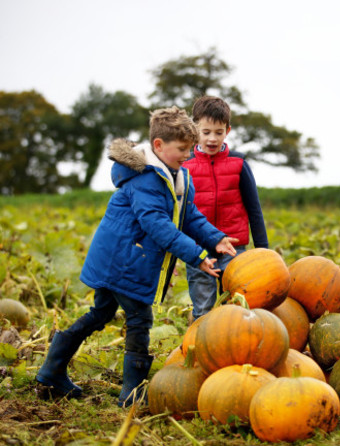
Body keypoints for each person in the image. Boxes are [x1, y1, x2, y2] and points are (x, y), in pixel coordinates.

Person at [35, 106, 238, 407]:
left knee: (100, 314)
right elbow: (156, 224)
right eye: (181, 149)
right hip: (122, 261)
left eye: (187, 149)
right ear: (158, 146)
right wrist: (197, 255)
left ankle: (52, 370)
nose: (187, 155)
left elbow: (189, 216)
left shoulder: (178, 176)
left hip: (123, 260)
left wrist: (215, 238)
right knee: (140, 319)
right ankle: (132, 393)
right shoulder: (144, 179)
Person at [183, 96, 268, 320]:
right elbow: (178, 212)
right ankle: (201, 346)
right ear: (195, 130)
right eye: (206, 131)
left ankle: (233, 348)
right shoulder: (185, 167)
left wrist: (263, 250)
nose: (212, 138)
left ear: (227, 131)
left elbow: (254, 210)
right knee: (203, 307)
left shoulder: (239, 164)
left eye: (218, 132)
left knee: (236, 304)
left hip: (234, 247)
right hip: (198, 248)